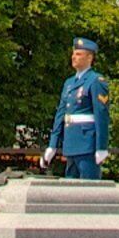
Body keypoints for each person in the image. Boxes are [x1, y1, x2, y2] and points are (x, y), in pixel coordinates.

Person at [48, 37, 111, 179]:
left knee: (89, 187)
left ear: (89, 57)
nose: (73, 57)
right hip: (71, 142)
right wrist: (53, 145)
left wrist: (101, 147)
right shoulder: (69, 83)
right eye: (73, 54)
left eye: (78, 54)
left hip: (87, 143)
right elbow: (61, 115)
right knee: (71, 187)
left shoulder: (95, 81)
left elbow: (101, 115)